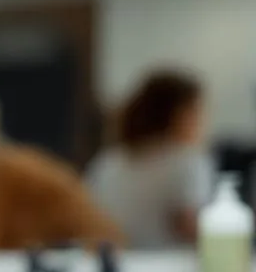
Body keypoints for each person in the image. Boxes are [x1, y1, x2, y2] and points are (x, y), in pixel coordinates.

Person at [86, 69, 215, 248]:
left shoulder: (108, 161)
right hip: (168, 266)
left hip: (116, 265)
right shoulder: (187, 161)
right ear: (179, 115)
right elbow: (188, 226)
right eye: (196, 110)